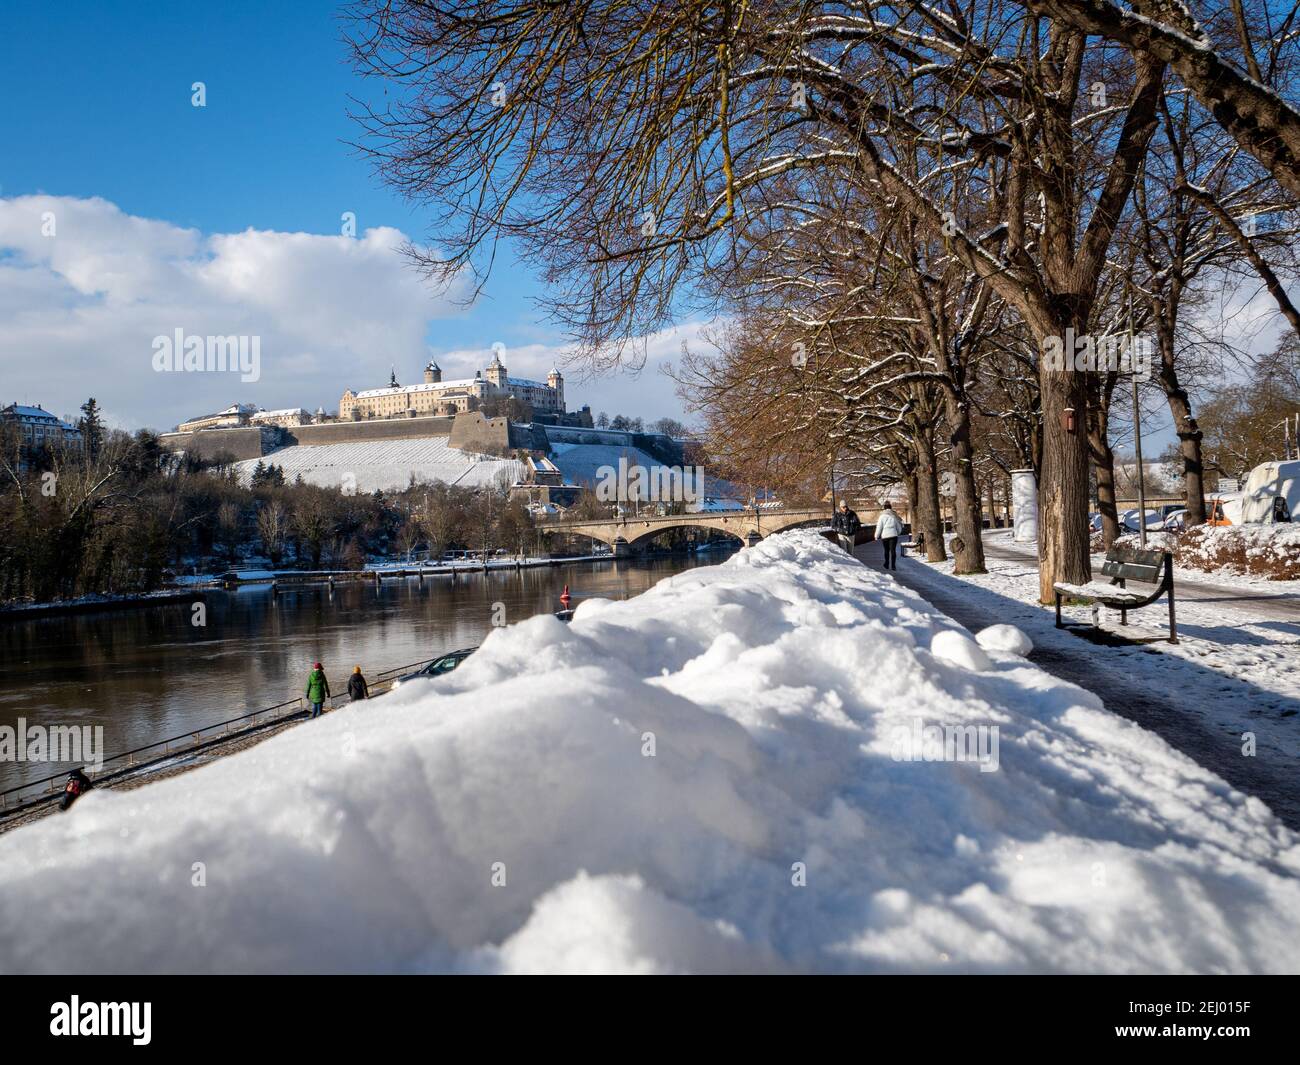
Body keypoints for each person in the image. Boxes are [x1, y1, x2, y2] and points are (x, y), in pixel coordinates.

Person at [875, 501, 904, 571]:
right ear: (891, 508)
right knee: (893, 550)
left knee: (886, 550)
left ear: (884, 508)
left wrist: (876, 535)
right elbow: (898, 526)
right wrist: (898, 532)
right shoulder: (894, 516)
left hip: (885, 536)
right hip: (893, 535)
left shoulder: (882, 516)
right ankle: (893, 565)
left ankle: (887, 564)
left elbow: (879, 527)